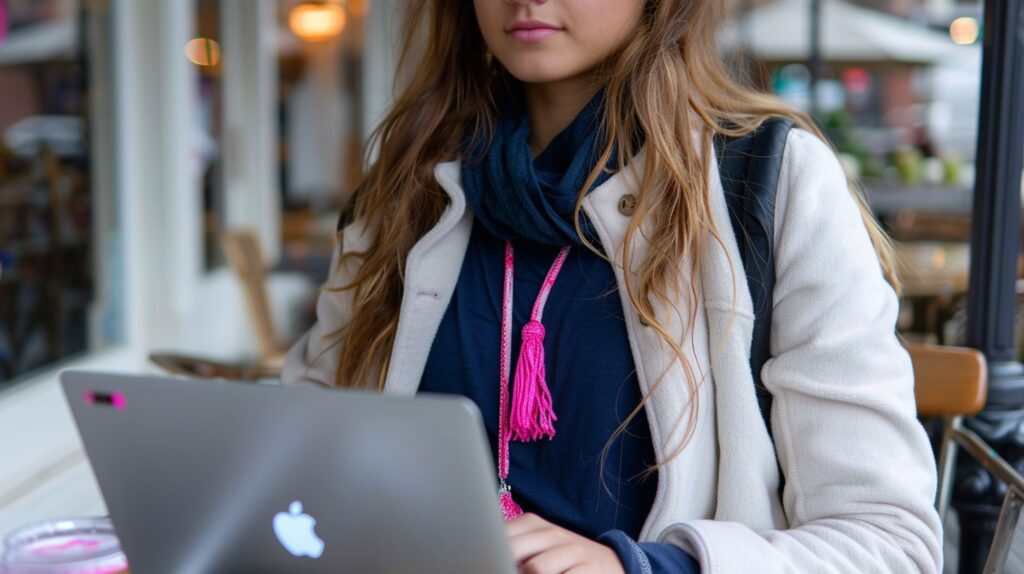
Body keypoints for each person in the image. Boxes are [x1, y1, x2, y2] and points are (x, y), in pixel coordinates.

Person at [282, 0, 943, 572]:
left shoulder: (772, 183)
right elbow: (292, 468)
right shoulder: (400, 197)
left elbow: (889, 543)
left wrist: (643, 568)